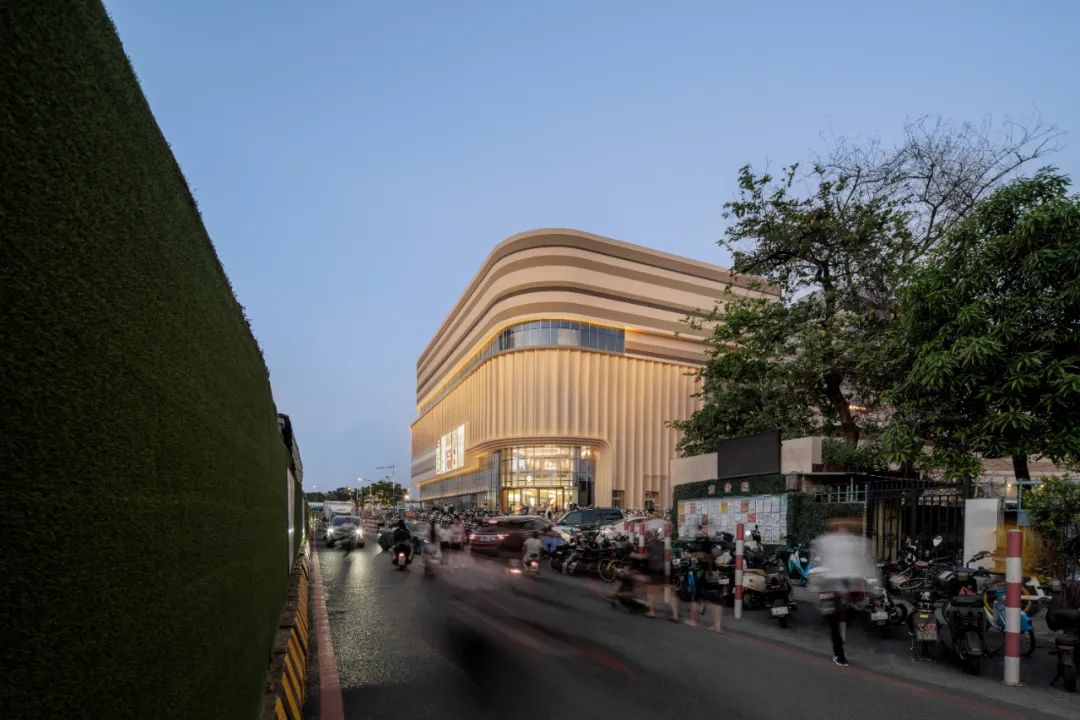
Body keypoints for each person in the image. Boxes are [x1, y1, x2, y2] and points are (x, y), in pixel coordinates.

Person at [811, 519, 876, 667]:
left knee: (846, 614)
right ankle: (839, 654)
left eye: (845, 525)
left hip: (848, 583)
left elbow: (862, 564)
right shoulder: (826, 541)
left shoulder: (854, 542)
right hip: (832, 584)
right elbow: (820, 563)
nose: (843, 528)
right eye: (840, 525)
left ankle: (839, 644)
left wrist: (870, 585)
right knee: (833, 619)